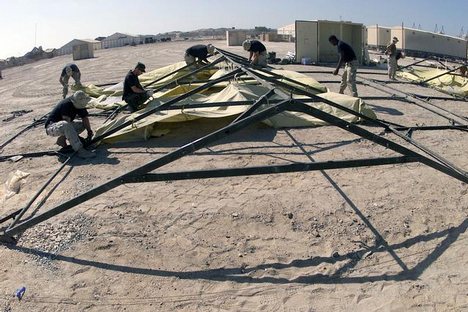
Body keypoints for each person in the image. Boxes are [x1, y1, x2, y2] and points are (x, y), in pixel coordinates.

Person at [45, 91, 95, 158]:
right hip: (52, 128)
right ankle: (80, 151)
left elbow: (85, 118)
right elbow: (66, 123)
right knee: (66, 125)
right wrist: (77, 140)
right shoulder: (66, 104)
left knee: (82, 125)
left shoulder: (80, 103)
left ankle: (61, 140)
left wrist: (89, 131)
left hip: (63, 125)